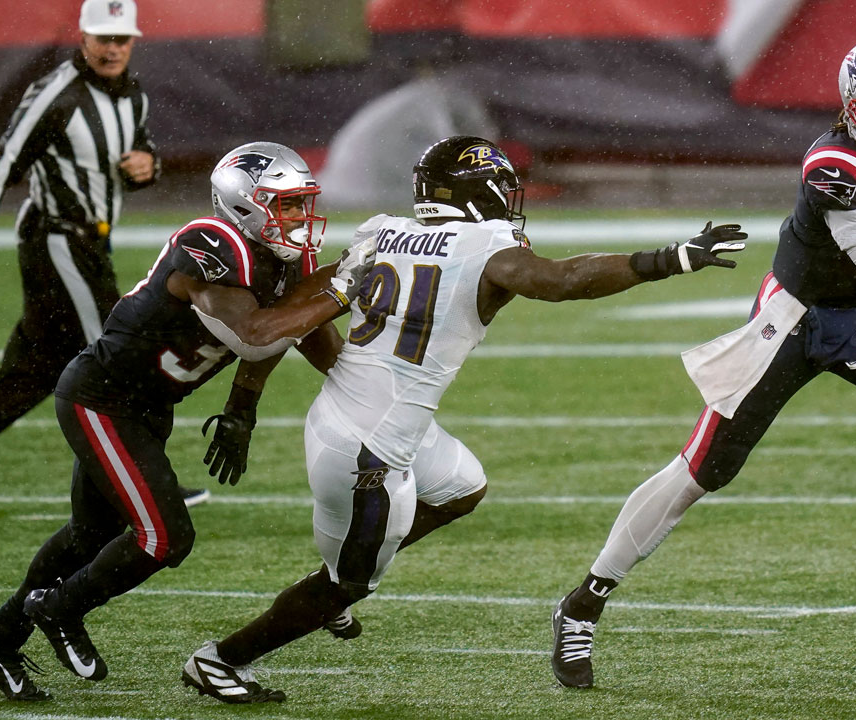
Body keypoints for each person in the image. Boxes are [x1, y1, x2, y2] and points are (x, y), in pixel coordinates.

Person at [179, 135, 747, 704]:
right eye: (501, 185)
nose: (509, 197)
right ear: (479, 192)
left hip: (363, 417)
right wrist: (666, 260)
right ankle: (221, 659)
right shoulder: (483, 246)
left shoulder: (381, 231)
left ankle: (338, 574)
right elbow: (562, 281)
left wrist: (244, 403)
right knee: (347, 586)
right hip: (368, 445)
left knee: (460, 487)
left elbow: (294, 314)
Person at [550, 36, 856, 688]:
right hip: (797, 320)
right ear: (852, 111)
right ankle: (583, 603)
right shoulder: (835, 167)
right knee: (703, 472)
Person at [0, 142, 378, 702]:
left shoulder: (281, 257)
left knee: (88, 535)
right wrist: (341, 287)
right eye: (288, 205)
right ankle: (58, 610)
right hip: (101, 399)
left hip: (148, 407)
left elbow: (297, 333)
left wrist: (246, 409)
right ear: (246, 205)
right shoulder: (211, 243)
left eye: (303, 204)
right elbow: (256, 335)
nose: (300, 218)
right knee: (163, 538)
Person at [0, 0, 206, 515]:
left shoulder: (132, 95)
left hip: (90, 243)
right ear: (82, 37)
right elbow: (1, 164)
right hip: (55, 241)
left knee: (35, 370)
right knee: (119, 352)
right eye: (103, 38)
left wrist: (148, 167)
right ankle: (139, 480)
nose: (112, 48)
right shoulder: (56, 94)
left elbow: (135, 159)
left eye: (121, 39)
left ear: (132, 41)